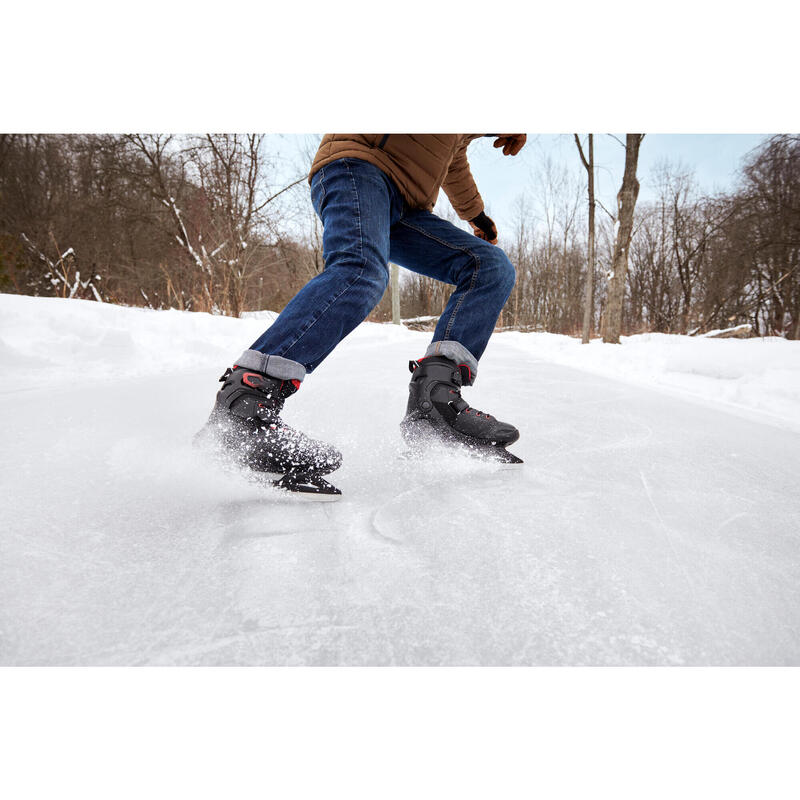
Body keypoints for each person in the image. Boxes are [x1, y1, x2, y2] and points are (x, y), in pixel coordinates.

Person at [198, 134, 527, 495]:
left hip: (406, 205)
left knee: (489, 266)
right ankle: (244, 402)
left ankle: (435, 403)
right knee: (361, 270)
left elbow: (453, 157)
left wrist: (476, 215)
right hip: (358, 167)